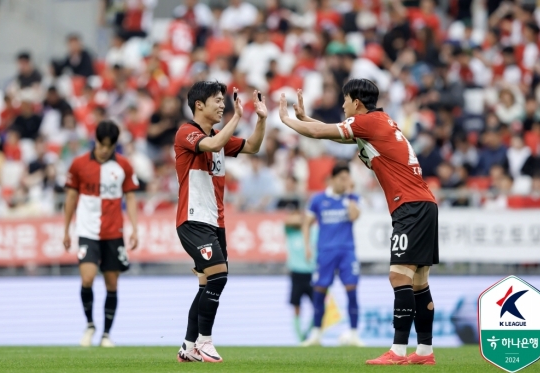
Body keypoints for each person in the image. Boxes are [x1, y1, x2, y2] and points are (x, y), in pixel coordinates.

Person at [279, 80, 439, 365]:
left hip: (410, 206)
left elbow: (319, 132)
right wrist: (304, 118)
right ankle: (424, 352)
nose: (342, 106)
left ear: (356, 102)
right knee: (418, 281)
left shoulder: (368, 122)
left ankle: (398, 352)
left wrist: (286, 121)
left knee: (399, 276)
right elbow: (331, 134)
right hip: (424, 203)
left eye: (345, 100)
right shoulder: (380, 122)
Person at [175, 82, 267, 363]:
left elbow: (253, 146)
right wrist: (237, 118)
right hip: (193, 219)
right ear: (199, 104)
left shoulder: (219, 135)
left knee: (207, 284)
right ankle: (205, 341)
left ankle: (188, 346)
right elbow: (213, 144)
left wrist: (261, 119)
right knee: (219, 276)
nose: (222, 105)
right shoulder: (186, 133)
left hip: (216, 222)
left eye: (223, 101)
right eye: (217, 100)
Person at [63, 120, 139, 347]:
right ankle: (89, 324)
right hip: (87, 230)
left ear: (115, 145)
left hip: (113, 231)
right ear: (95, 140)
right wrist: (66, 229)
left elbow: (131, 197)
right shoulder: (78, 165)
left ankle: (106, 334)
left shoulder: (124, 166)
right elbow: (70, 198)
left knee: (112, 284)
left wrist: (134, 228)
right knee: (87, 278)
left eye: (110, 145)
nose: (105, 149)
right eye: (102, 144)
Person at [300, 163, 364, 347]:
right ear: (333, 179)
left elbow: (353, 216)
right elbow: (307, 223)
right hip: (325, 252)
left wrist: (350, 193)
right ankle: (316, 334)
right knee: (319, 292)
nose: (345, 182)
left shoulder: (352, 198)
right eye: (342, 178)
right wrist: (307, 247)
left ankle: (353, 334)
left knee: (352, 290)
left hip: (347, 251)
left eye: (347, 178)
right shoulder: (318, 200)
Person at [279, 176, 316, 342]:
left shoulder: (314, 231)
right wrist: (302, 219)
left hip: (311, 273)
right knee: (297, 306)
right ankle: (300, 337)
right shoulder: (291, 231)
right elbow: (288, 221)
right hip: (296, 273)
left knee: (318, 307)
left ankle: (308, 334)